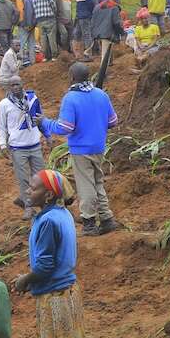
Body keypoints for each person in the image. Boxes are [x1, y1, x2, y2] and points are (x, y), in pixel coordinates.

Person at [12, 170, 84, 338]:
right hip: (67, 291)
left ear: (49, 195)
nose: (27, 191)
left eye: (33, 188)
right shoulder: (63, 214)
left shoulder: (48, 222)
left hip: (54, 297)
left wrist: (24, 280)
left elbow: (45, 267)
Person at [40, 63, 120, 236]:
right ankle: (106, 219)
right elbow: (113, 121)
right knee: (98, 181)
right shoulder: (101, 95)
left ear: (71, 77)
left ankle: (89, 222)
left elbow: (64, 127)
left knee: (86, 185)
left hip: (81, 149)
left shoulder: (71, 98)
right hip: (99, 146)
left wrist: (45, 122)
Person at [0, 76, 47, 219]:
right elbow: (1, 126)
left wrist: (46, 135)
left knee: (41, 177)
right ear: (9, 87)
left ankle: (40, 204)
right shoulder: (4, 104)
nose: (15, 87)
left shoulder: (32, 99)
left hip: (35, 143)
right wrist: (2, 144)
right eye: (12, 85)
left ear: (23, 84)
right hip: (18, 147)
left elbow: (39, 116)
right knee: (23, 178)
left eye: (17, 84)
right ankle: (28, 207)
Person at [17, 0, 37, 66]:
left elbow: (21, 12)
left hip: (24, 25)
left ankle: (20, 63)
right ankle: (33, 61)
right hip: (32, 24)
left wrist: (25, 24)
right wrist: (33, 24)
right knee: (31, 44)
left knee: (21, 44)